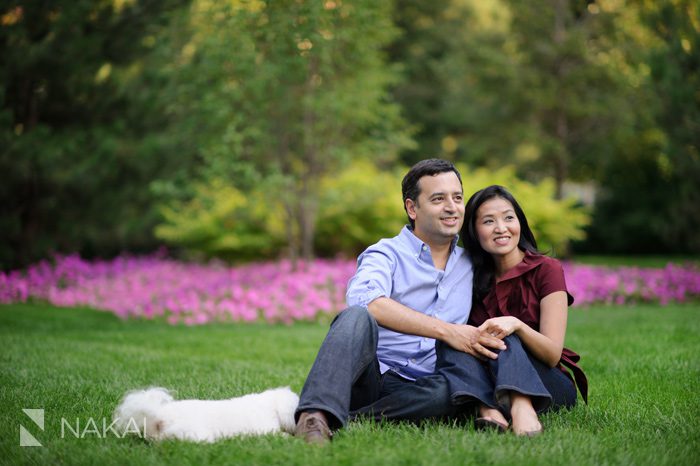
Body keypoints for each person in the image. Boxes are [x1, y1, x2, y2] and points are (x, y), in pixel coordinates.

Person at [293, 159, 505, 444]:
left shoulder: (472, 264)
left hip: (426, 385)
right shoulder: (386, 253)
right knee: (355, 316)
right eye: (438, 199)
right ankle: (314, 417)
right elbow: (368, 302)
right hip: (371, 375)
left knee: (455, 391)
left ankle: (351, 417)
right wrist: (448, 331)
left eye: (457, 197)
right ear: (412, 208)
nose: (452, 207)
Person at [437, 184, 587, 436]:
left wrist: (516, 325)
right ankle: (488, 410)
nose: (501, 228)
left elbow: (552, 354)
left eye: (509, 217)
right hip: (488, 377)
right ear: (474, 231)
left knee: (507, 335)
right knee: (452, 337)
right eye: (488, 221)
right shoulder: (470, 277)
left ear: (520, 223)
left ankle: (521, 405)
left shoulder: (547, 270)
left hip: (545, 383)